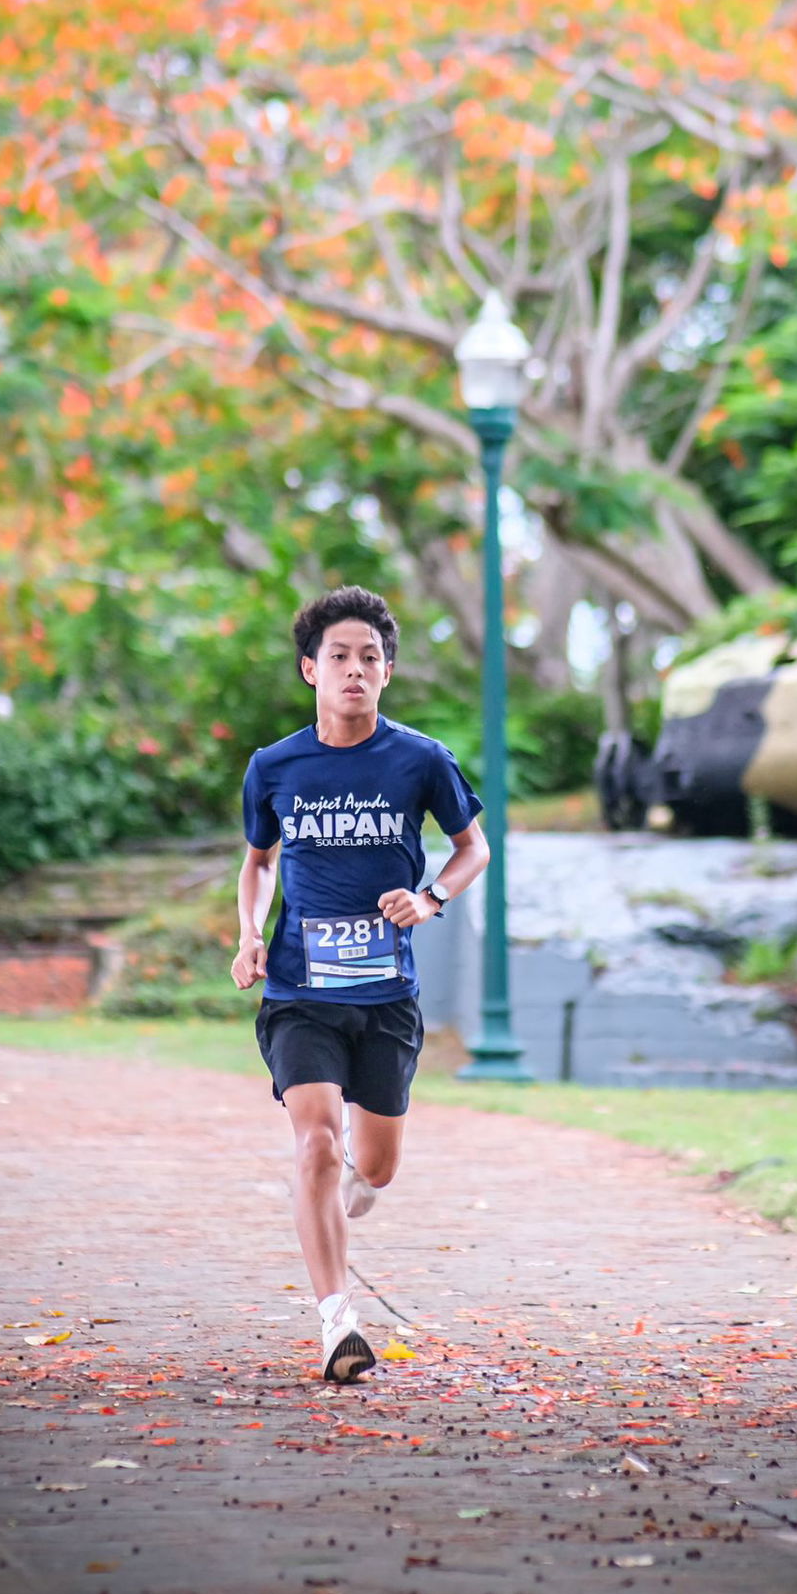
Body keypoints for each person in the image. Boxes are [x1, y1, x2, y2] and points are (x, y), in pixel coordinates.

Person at [232, 586, 490, 1382]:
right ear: (310, 668)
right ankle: (336, 1323)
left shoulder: (421, 760)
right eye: (338, 657)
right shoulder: (274, 767)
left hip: (384, 998)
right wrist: (248, 934)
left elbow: (472, 848)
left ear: (387, 674)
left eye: (369, 659)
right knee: (315, 1141)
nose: (354, 670)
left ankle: (356, 1186)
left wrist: (430, 897)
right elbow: (260, 863)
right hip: (301, 993)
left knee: (373, 1166)